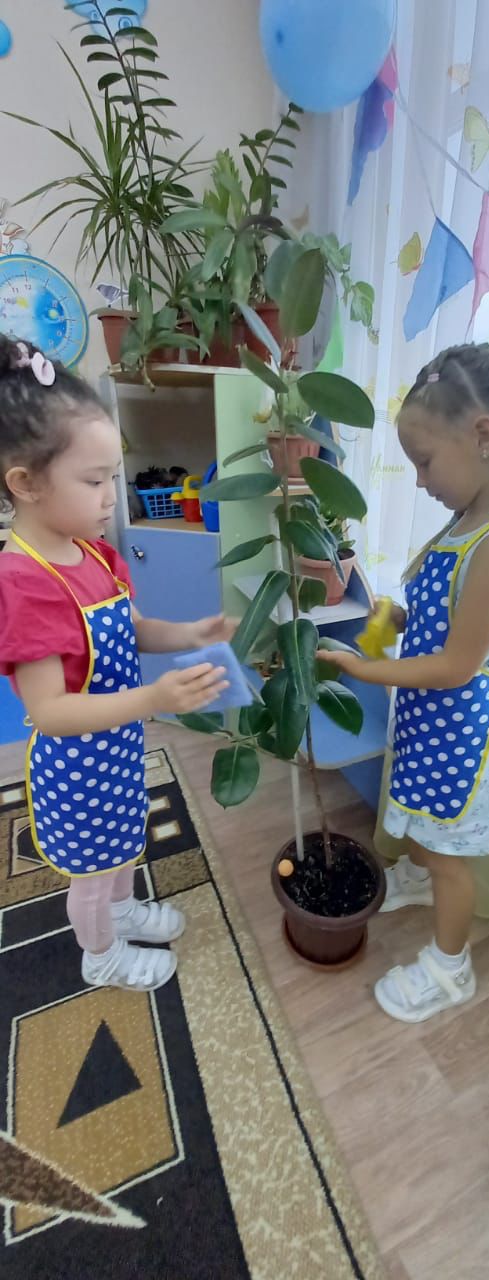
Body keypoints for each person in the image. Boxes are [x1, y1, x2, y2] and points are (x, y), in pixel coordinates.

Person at [318, 343, 489, 1024]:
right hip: (428, 719)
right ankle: (416, 875)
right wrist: (389, 622)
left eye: (423, 461)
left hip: (458, 730)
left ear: (483, 436)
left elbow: (455, 665)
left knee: (451, 854)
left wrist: (366, 668)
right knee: (421, 818)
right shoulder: (464, 524)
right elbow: (439, 617)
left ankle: (451, 968)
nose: (418, 481)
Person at [0, 336, 236, 992]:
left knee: (124, 841)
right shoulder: (24, 582)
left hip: (118, 744)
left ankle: (125, 910)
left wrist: (190, 631)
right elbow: (50, 710)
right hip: (77, 766)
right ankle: (99, 954)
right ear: (26, 483)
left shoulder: (94, 552)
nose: (112, 497)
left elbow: (130, 631)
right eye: (94, 480)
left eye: (113, 476)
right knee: (91, 872)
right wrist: (155, 700)